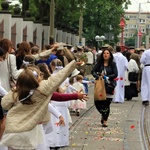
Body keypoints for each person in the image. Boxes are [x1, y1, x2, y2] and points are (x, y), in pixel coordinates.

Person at [0, 60, 85, 149]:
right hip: (29, 130)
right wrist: (73, 65)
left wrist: (15, 91)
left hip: (12, 130)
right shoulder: (42, 90)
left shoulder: (16, 91)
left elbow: (4, 104)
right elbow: (58, 78)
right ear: (37, 78)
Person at [92, 49, 118, 127]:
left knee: (107, 103)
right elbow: (93, 71)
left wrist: (107, 77)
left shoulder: (113, 64)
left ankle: (105, 119)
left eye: (107, 53)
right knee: (98, 102)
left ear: (110, 55)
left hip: (109, 85)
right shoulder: (99, 64)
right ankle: (103, 114)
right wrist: (98, 76)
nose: (105, 55)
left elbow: (115, 74)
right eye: (104, 53)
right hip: (100, 85)